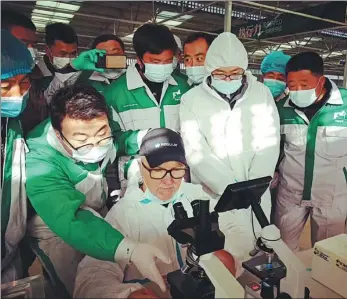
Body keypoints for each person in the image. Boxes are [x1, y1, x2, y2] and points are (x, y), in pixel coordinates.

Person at [25, 85, 171, 297]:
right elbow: (70, 218)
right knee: (78, 285)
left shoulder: (101, 123)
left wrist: (146, 137)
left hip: (95, 209)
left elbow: (118, 141)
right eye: (82, 142)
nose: (95, 145)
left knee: (105, 264)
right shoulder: (39, 161)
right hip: (59, 228)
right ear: (58, 134)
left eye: (102, 136)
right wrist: (129, 249)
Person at [74, 128, 240, 299]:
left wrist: (230, 257)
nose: (168, 181)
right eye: (158, 170)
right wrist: (128, 295)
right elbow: (91, 277)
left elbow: (236, 234)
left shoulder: (197, 196)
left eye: (177, 169)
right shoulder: (123, 214)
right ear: (141, 166)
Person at [180, 32, 280, 262]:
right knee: (223, 257)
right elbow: (196, 151)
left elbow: (270, 140)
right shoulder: (191, 99)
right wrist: (231, 190)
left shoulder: (261, 94)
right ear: (210, 70)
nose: (227, 79)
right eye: (220, 74)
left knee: (260, 253)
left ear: (244, 70)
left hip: (256, 190)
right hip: (215, 192)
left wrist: (254, 185)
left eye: (234, 73)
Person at [103, 23, 190, 195]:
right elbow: (109, 141)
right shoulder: (115, 93)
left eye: (167, 61)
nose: (163, 67)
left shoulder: (183, 86)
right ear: (139, 59)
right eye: (156, 62)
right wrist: (144, 138)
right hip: (137, 177)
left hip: (178, 175)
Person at [275, 52, 347, 251]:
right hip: (291, 193)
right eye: (291, 85)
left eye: (304, 85)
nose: (297, 90)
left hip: (331, 196)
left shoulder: (345, 107)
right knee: (283, 250)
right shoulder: (282, 109)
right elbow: (275, 147)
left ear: (321, 81)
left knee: (329, 254)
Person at [1, 29, 33, 283]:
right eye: (4, 86)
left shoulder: (12, 125)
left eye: (23, 82)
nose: (16, 94)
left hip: (9, 256)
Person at [260, 51, 291, 223]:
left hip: (278, 175)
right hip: (251, 168)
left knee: (272, 216)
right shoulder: (253, 100)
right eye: (271, 75)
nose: (275, 80)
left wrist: (277, 169)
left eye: (280, 77)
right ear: (263, 75)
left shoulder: (288, 107)